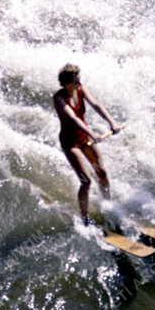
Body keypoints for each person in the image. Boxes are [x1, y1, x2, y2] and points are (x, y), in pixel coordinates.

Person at [53, 63, 121, 223]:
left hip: (85, 138)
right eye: (76, 81)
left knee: (102, 173)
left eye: (79, 80)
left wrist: (112, 122)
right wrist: (92, 134)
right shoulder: (59, 97)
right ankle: (84, 218)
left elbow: (96, 105)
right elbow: (73, 118)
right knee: (86, 181)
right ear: (67, 83)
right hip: (70, 143)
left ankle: (108, 205)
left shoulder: (81, 89)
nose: (79, 83)